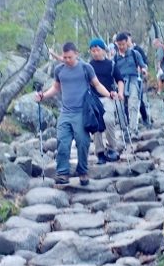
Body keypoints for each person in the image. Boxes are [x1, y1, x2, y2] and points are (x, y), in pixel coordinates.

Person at [36, 42, 114, 185]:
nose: (66, 60)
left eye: (69, 57)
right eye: (64, 57)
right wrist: (43, 96)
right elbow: (55, 88)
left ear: (76, 54)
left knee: (83, 143)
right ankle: (62, 173)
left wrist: (109, 94)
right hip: (65, 113)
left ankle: (83, 171)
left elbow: (96, 84)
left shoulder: (86, 68)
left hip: (81, 113)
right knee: (63, 143)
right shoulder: (59, 70)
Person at [88, 38, 124, 163]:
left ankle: (112, 148)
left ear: (103, 50)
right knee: (96, 126)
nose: (95, 53)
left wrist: (120, 92)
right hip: (93, 99)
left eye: (98, 50)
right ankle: (100, 152)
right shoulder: (89, 66)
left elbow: (119, 79)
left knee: (109, 120)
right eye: (93, 51)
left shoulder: (111, 65)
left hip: (108, 97)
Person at [112, 31, 147, 136]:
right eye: (119, 45)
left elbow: (142, 65)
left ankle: (133, 129)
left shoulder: (134, 54)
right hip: (120, 83)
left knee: (133, 104)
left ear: (127, 42)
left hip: (133, 80)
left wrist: (144, 70)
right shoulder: (115, 58)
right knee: (121, 107)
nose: (121, 46)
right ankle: (124, 129)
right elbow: (112, 72)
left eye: (123, 44)